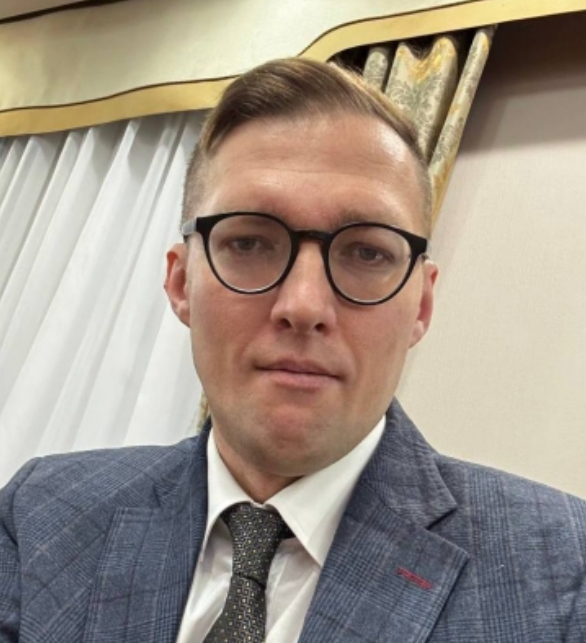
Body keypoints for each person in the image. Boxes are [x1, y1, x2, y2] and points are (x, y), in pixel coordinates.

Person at [1, 58, 585, 643]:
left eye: (367, 253)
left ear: (422, 306)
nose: (304, 305)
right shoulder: (40, 516)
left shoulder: (565, 572)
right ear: (181, 284)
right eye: (249, 242)